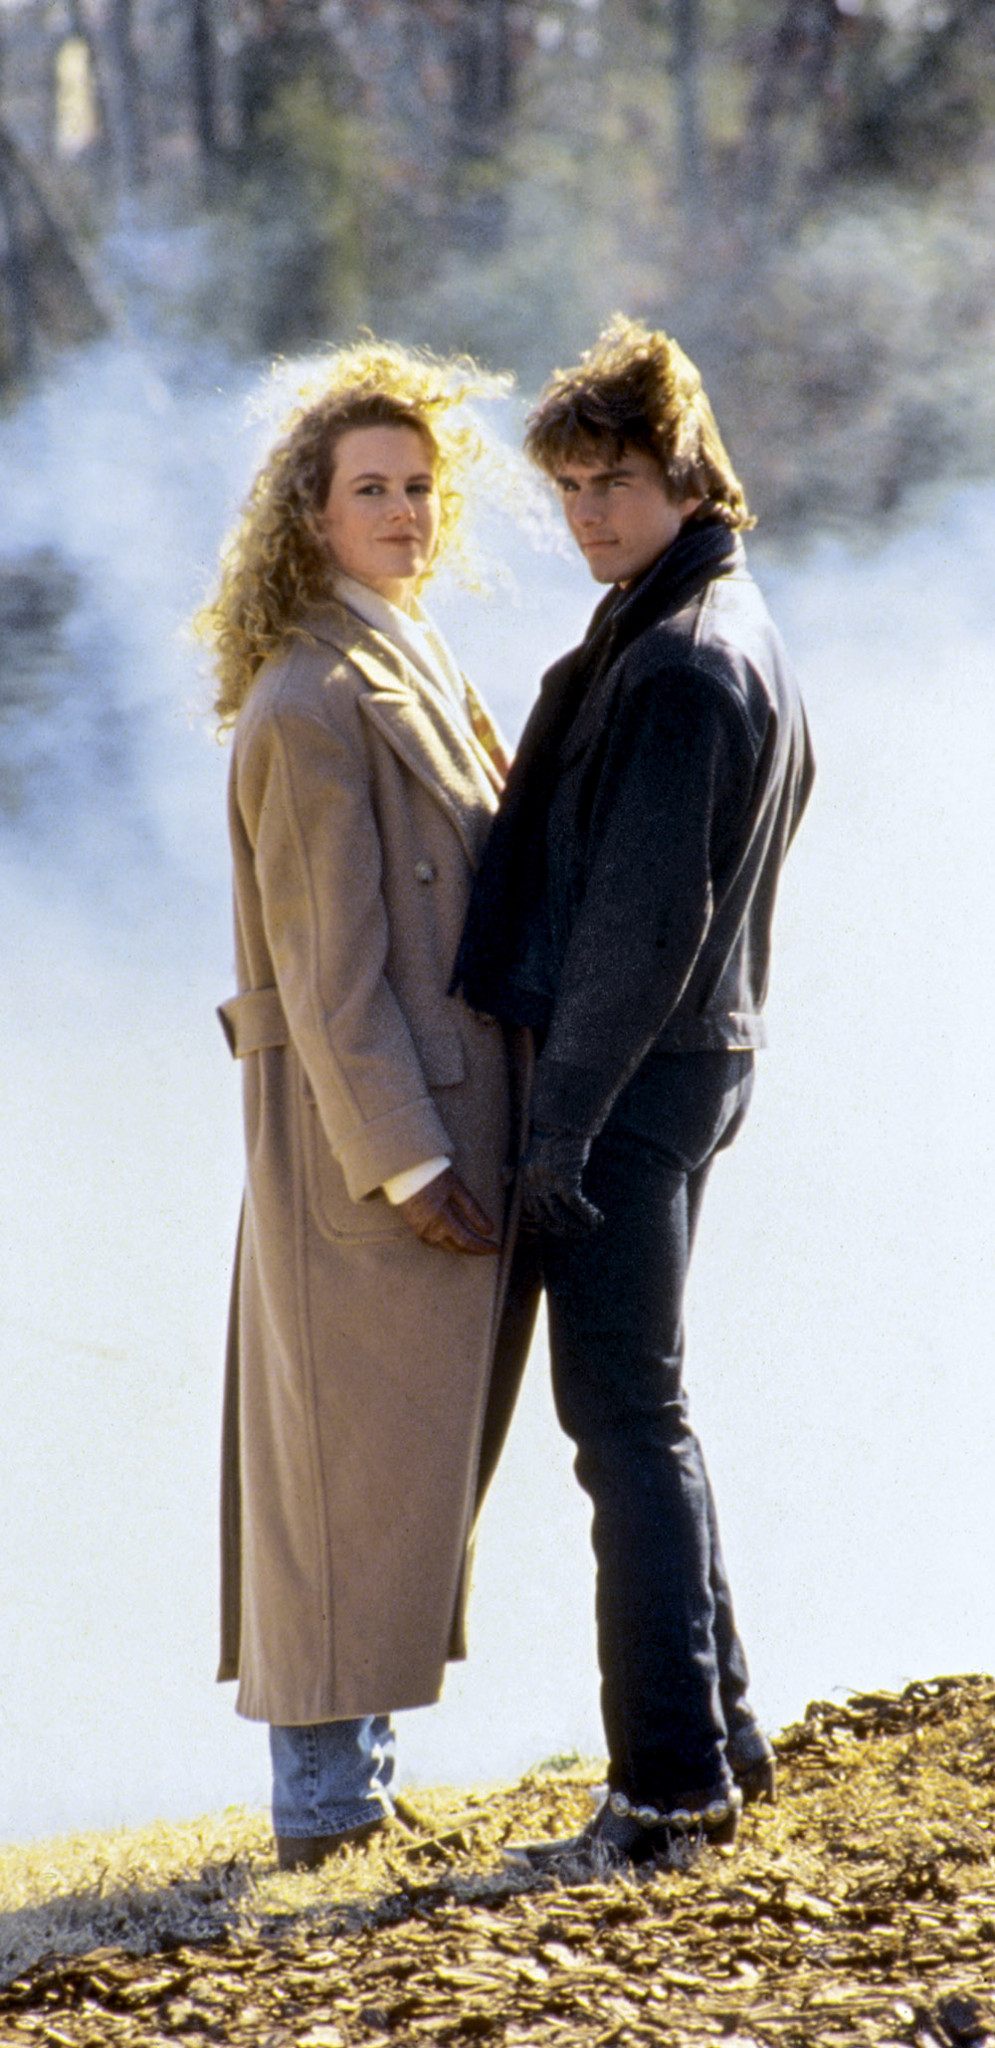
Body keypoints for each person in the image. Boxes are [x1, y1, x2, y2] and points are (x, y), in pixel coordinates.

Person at [454, 315, 815, 1869]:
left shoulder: (679, 662)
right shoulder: (706, 616)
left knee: (620, 1421)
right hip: (691, 1060)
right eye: (569, 487)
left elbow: (644, 926)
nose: (587, 514)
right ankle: (721, 1729)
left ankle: (669, 1791)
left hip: (636, 1079)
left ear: (686, 477)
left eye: (612, 482)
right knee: (643, 1411)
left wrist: (563, 1127)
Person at [201, 340, 534, 1871]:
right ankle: (326, 1810)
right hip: (367, 1147)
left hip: (445, 1119)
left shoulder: (408, 655)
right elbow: (329, 977)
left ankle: (360, 1787)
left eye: (419, 486)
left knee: (396, 1474)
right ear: (310, 515)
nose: (404, 512)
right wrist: (404, 1162)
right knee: (342, 1472)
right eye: (371, 490)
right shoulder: (307, 701)